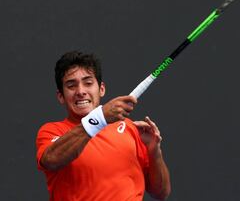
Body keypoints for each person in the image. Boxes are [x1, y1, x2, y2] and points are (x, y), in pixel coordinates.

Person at [36, 51, 171, 201]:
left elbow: (161, 193)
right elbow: (51, 160)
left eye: (88, 83)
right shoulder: (51, 131)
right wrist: (100, 118)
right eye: (71, 85)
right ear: (61, 96)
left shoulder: (131, 129)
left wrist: (154, 152)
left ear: (101, 89)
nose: (81, 91)